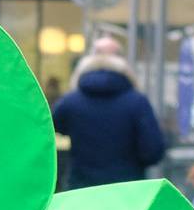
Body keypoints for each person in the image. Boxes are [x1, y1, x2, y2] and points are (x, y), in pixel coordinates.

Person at [51, 38, 165, 190]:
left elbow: (49, 130)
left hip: (81, 192)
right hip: (127, 192)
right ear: (121, 60)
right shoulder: (137, 102)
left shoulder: (70, 101)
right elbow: (153, 151)